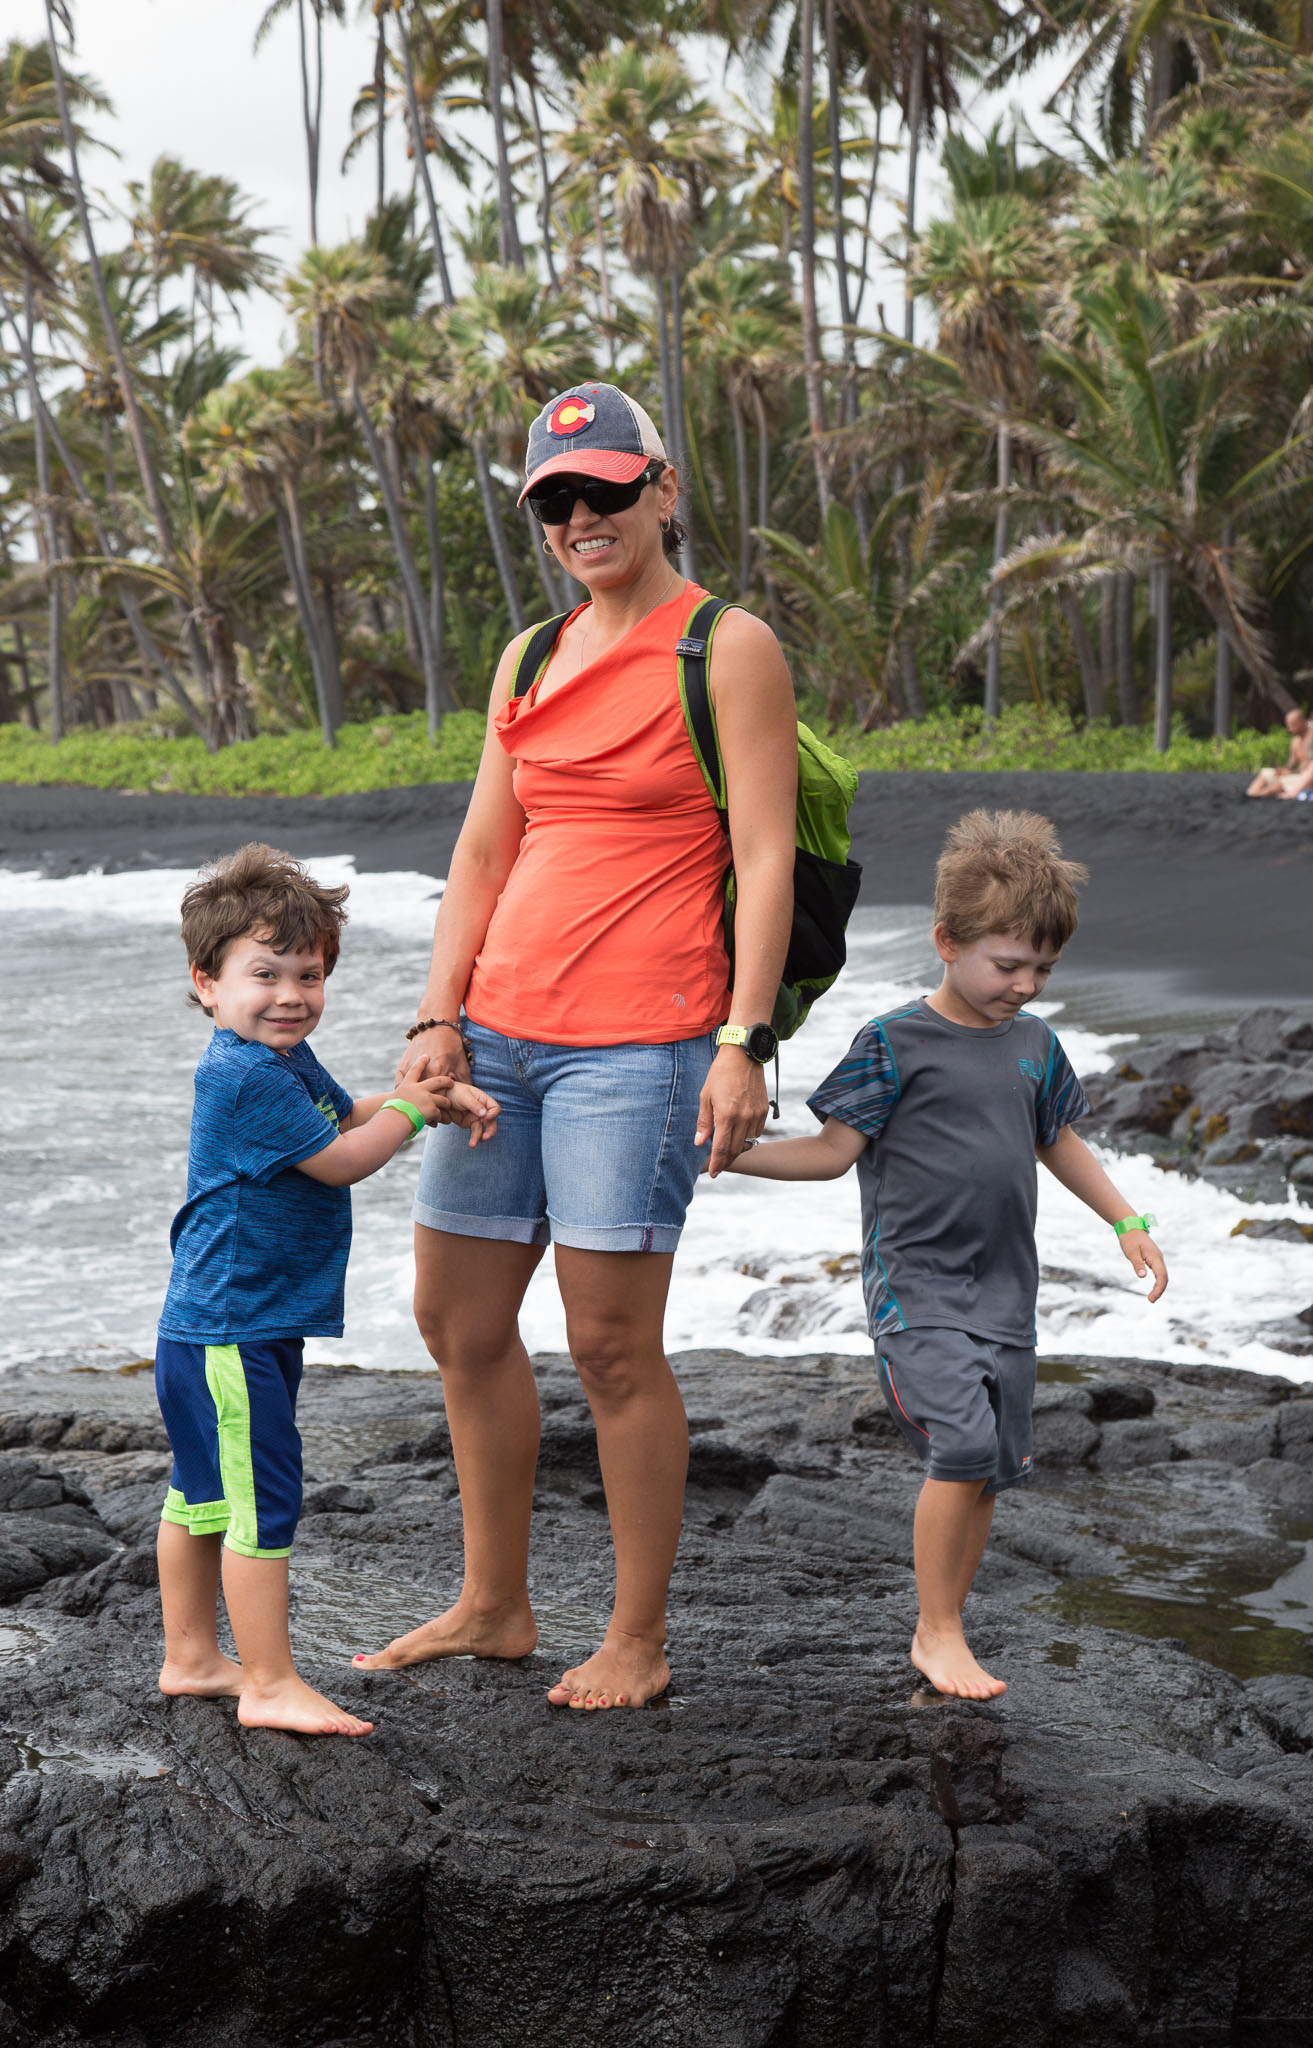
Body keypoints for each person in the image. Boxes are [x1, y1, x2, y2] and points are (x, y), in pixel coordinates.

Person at [354, 380, 797, 1710]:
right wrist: (437, 1015)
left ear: (660, 489)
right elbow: (483, 851)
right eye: (554, 501)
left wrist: (742, 1040)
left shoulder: (726, 647)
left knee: (607, 1343)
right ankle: (494, 1605)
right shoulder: (529, 656)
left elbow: (766, 856)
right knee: (456, 1319)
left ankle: (637, 1637)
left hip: (641, 1047)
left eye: (602, 490)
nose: (579, 518)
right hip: (499, 1034)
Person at [728, 810, 1169, 1701]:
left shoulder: (1035, 1045)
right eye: (1008, 966)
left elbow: (1056, 1140)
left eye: (1043, 969)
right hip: (916, 1288)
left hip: (1006, 1292)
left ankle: (947, 1624)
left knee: (992, 1467)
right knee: (961, 1444)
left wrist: (1127, 1221)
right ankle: (936, 1630)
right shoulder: (892, 1043)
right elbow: (830, 1153)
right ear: (947, 943)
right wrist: (729, 1156)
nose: (1025, 986)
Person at [154, 843, 498, 1737]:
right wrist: (412, 1114)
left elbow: (345, 1117)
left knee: (201, 1495)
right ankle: (268, 1684)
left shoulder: (280, 1062)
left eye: (308, 975)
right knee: (259, 1501)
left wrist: (426, 1094)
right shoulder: (242, 1074)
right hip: (235, 1325)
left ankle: (192, 1658)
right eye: (264, 974)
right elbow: (343, 1159)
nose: (291, 995)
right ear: (206, 983)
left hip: (223, 1322)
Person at [1247, 708, 1312, 797]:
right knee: (1265, 773)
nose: (1289, 728)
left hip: (1306, 779)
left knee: (1282, 782)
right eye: (1288, 724)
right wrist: (1283, 770)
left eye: (1292, 724)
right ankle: (1252, 793)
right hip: (1296, 775)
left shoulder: (1311, 736)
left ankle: (1270, 793)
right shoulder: (1295, 741)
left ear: (1302, 722)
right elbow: (1291, 765)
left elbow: (1309, 767)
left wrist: (1291, 772)